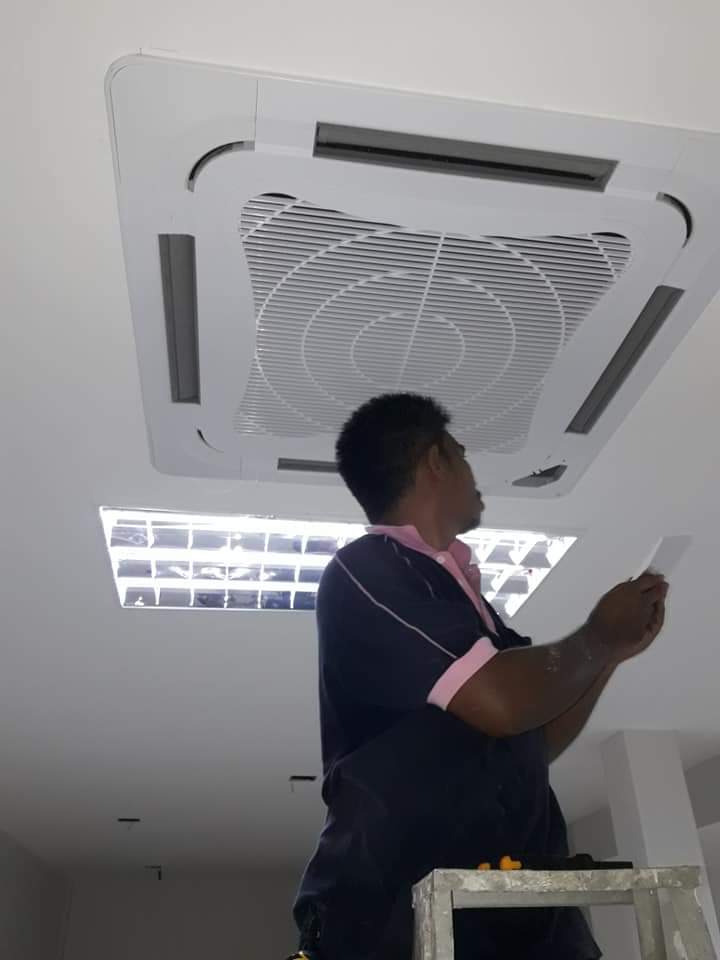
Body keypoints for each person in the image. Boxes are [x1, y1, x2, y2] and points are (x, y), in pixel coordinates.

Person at [293, 393, 668, 960]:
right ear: (436, 461)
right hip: (399, 910)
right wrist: (595, 636)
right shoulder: (368, 569)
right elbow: (500, 704)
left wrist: (608, 652)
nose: (474, 475)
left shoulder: (469, 607)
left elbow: (533, 737)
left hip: (521, 912)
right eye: (463, 455)